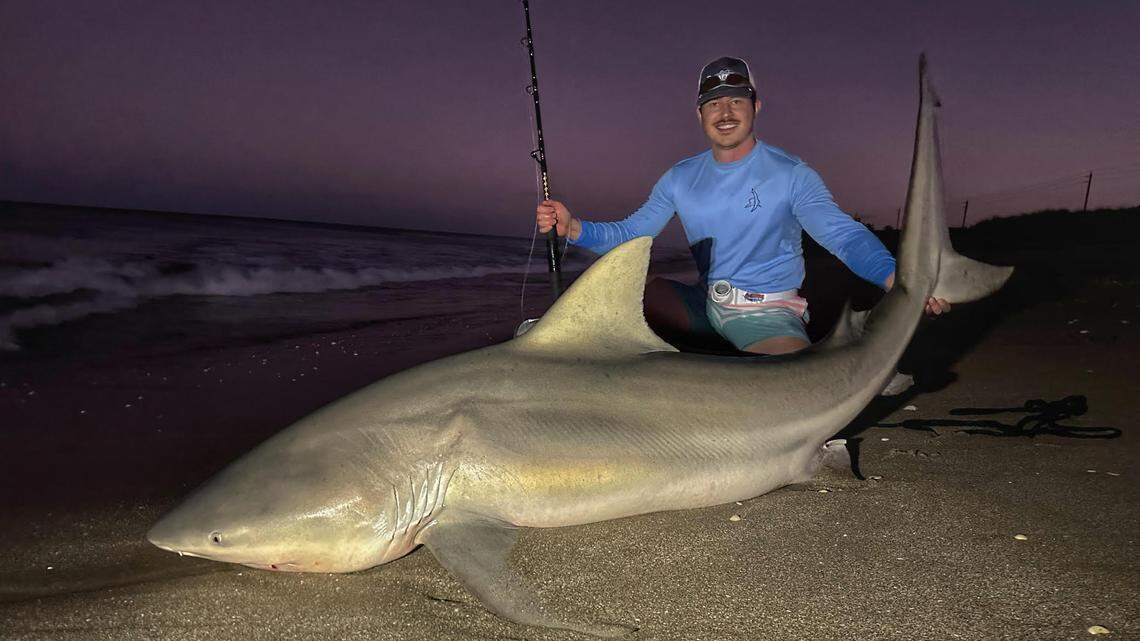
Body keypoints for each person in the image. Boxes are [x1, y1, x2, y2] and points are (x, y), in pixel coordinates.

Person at [537, 56, 948, 355]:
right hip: (705, 304)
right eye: (714, 103)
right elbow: (632, 234)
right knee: (635, 298)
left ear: (756, 107)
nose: (725, 112)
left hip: (766, 314)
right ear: (700, 114)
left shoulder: (791, 174)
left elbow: (843, 236)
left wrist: (898, 280)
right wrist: (573, 228)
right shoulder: (680, 177)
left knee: (791, 388)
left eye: (736, 100)